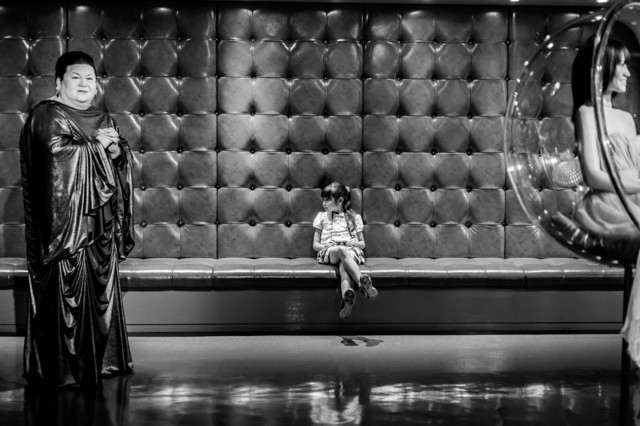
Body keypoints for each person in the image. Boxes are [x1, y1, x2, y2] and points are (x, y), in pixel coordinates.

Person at [20, 51, 135, 387]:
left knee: (101, 299)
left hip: (100, 232)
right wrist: (97, 147)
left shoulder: (103, 116)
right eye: (76, 77)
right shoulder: (47, 115)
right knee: (63, 297)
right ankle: (64, 369)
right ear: (59, 82)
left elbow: (118, 163)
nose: (84, 84)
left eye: (90, 78)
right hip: (64, 233)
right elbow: (56, 158)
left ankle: (102, 362)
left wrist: (116, 152)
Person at [570, 37, 640, 363]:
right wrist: (634, 184)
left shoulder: (626, 118)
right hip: (606, 203)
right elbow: (593, 176)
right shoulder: (587, 114)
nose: (627, 71)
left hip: (633, 196)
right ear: (602, 67)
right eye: (621, 64)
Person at [312, 182, 378, 319]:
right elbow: (315, 245)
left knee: (344, 268)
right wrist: (325, 246)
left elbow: (362, 244)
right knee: (342, 250)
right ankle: (362, 283)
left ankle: (347, 302)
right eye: (323, 200)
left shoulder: (354, 217)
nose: (324, 203)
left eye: (327, 200)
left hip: (350, 253)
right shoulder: (322, 217)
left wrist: (356, 243)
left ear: (340, 200)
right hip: (330, 252)